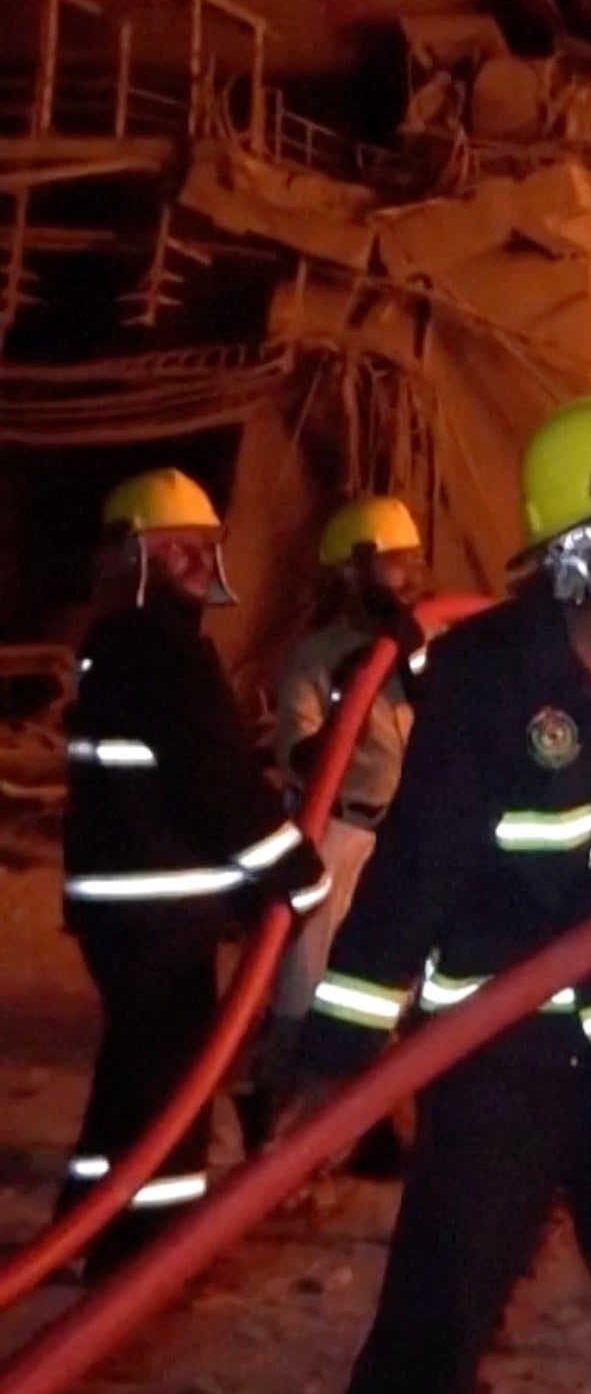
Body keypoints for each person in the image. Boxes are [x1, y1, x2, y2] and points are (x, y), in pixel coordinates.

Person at [293, 390, 591, 1394]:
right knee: (441, 1310)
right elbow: (416, 869)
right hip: (498, 1048)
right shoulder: (486, 673)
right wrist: (339, 1056)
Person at [57, 468, 327, 1278]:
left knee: (133, 1078)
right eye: (175, 549)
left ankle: (85, 1222)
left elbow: (181, 783)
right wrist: (292, 869)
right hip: (158, 918)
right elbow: (217, 782)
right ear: (131, 557)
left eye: (204, 546)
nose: (198, 563)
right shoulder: (165, 655)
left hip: (127, 913)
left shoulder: (119, 647)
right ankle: (142, 1260)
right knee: (170, 1101)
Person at [257, 495, 431, 1132]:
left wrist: (409, 656)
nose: (409, 576)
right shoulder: (314, 657)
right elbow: (301, 756)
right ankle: (281, 1111)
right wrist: (351, 691)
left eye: (412, 559)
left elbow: (455, 712)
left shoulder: (429, 640)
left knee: (400, 982)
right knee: (307, 979)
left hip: (409, 835)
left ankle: (381, 1118)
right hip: (340, 831)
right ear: (353, 572)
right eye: (394, 561)